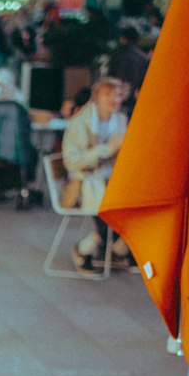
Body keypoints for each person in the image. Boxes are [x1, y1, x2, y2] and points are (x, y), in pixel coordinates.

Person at [62, 77, 129, 271]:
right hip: (82, 183)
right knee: (109, 203)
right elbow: (72, 161)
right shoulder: (80, 122)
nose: (113, 99)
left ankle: (116, 247)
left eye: (117, 94)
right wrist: (106, 149)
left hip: (111, 179)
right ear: (96, 96)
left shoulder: (121, 119)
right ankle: (89, 247)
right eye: (107, 94)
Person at [106, 24, 150, 115]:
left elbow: (110, 78)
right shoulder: (144, 58)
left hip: (119, 98)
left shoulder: (117, 55)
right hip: (138, 99)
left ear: (123, 38)